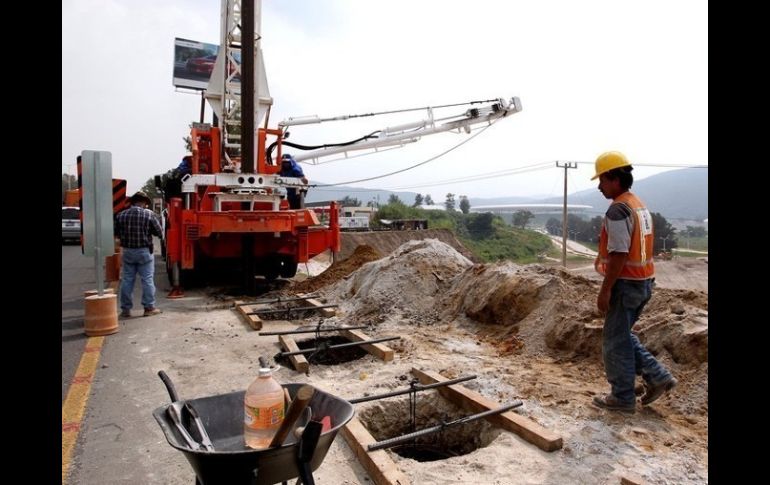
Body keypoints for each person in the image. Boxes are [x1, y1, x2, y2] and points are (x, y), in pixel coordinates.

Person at [590, 151, 677, 414]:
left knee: (614, 342)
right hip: (643, 282)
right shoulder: (636, 204)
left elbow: (618, 253)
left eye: (602, 180)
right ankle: (658, 376)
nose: (599, 186)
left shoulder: (618, 210)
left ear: (614, 177)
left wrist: (605, 291)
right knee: (622, 336)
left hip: (626, 285)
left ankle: (623, 397)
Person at [115, 191, 164, 318]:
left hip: (128, 251)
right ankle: (148, 308)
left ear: (133, 202)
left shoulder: (121, 215)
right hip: (144, 252)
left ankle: (125, 310)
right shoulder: (149, 215)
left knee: (127, 280)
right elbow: (159, 233)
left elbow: (117, 234)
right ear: (143, 202)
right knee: (147, 279)